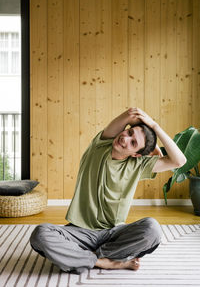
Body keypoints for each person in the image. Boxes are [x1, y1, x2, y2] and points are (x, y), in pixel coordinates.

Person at [30, 107, 186, 274]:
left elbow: (179, 161)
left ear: (136, 155)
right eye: (130, 132)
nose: (125, 139)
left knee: (152, 229)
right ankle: (107, 262)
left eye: (133, 143)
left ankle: (86, 258)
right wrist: (144, 128)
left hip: (114, 233)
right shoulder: (100, 146)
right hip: (79, 232)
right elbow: (130, 114)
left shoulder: (138, 165)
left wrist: (155, 126)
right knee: (40, 234)